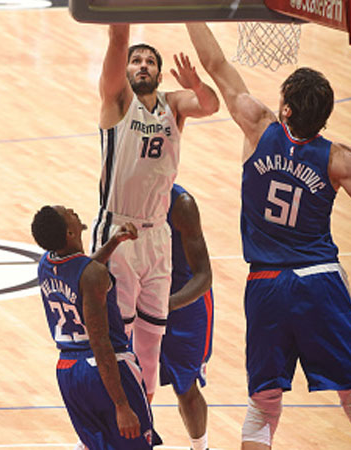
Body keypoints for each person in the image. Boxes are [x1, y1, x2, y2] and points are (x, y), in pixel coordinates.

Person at [185, 22, 351, 450]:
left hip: (266, 285)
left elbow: (215, 62)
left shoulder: (257, 125)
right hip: (319, 283)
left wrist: (191, 11)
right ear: (324, 117)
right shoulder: (339, 159)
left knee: (262, 411)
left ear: (287, 110)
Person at [90, 24, 219, 402]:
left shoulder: (173, 104)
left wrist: (196, 84)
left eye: (149, 61)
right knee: (118, 339)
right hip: (118, 229)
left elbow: (210, 105)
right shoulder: (116, 101)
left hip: (157, 235)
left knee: (151, 344)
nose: (142, 65)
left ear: (159, 74)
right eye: (136, 61)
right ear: (126, 71)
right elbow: (117, 39)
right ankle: (109, 421)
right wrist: (123, 20)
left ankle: (143, 425)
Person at [31, 205, 162, 449]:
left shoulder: (46, 265)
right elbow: (101, 344)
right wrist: (121, 405)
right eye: (67, 212)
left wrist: (113, 243)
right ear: (70, 233)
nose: (71, 209)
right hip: (107, 369)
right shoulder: (92, 275)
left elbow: (82, 273)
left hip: (69, 372)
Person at [160, 183, 214, 450]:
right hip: (141, 298)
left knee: (186, 390)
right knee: (127, 384)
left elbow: (204, 276)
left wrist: (167, 304)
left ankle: (200, 447)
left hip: (183, 303)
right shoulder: (125, 198)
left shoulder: (182, 203)